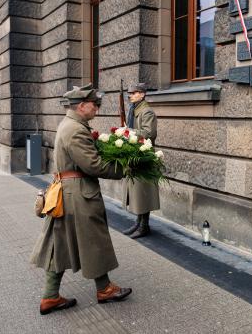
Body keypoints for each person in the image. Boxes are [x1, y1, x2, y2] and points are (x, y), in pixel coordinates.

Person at [30, 83, 132, 315]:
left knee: (60, 243)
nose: (97, 108)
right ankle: (104, 289)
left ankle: (50, 296)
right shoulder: (76, 129)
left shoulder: (69, 125)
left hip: (66, 192)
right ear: (82, 106)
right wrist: (124, 168)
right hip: (78, 194)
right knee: (93, 240)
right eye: (94, 105)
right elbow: (92, 165)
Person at [121, 83, 160, 239]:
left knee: (143, 193)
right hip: (135, 155)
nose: (130, 95)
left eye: (134, 93)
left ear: (142, 94)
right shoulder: (134, 109)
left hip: (144, 156)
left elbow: (149, 133)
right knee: (137, 192)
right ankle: (138, 222)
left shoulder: (147, 111)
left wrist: (128, 131)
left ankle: (144, 226)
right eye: (130, 93)